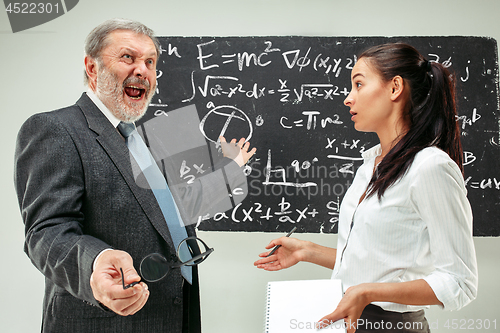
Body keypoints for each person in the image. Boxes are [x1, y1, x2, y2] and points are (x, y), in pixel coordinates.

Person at [14, 18, 255, 333]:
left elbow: (170, 213)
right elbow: (46, 232)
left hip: (170, 316)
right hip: (108, 323)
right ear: (92, 67)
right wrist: (96, 262)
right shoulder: (56, 129)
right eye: (128, 57)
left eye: (150, 62)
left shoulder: (142, 141)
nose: (143, 70)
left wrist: (231, 170)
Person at [254, 42, 478, 333]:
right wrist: (308, 251)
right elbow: (377, 264)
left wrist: (369, 293)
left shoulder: (430, 167)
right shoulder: (370, 165)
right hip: (353, 320)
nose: (348, 98)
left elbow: (459, 282)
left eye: (359, 84)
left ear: (395, 87)